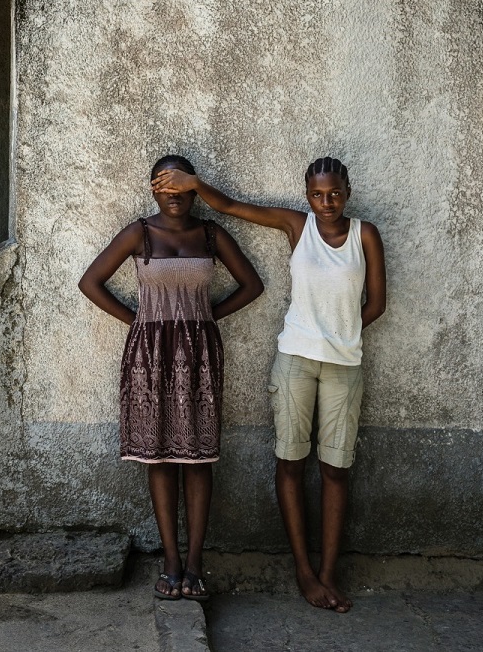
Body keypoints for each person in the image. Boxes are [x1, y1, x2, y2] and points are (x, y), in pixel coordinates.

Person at [152, 157, 386, 613]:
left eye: (335, 194)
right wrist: (194, 183)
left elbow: (376, 303)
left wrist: (340, 335)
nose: (326, 203)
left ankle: (329, 573)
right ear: (307, 196)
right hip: (295, 360)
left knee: (336, 468)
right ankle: (304, 571)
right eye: (317, 195)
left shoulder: (366, 235)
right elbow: (232, 206)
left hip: (344, 365)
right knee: (290, 462)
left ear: (348, 193)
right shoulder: (297, 226)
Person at [79, 155, 264, 602]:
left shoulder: (211, 234)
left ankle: (196, 565)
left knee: (198, 457)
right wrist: (140, 321)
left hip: (199, 355)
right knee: (159, 456)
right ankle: (171, 562)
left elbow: (252, 285)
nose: (174, 195)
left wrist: (205, 317)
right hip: (149, 356)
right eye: (165, 187)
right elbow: (90, 282)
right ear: (153, 190)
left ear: (193, 189)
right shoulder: (139, 233)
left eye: (182, 186)